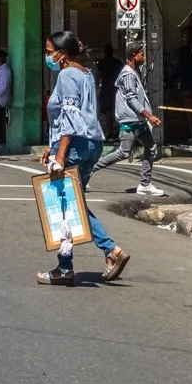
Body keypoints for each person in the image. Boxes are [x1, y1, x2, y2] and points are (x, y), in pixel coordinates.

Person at [37, 30, 131, 285]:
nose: (47, 57)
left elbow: (70, 117)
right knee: (74, 203)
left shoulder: (67, 75)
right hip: (92, 143)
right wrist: (52, 146)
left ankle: (67, 267)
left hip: (75, 146)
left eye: (49, 52)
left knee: (64, 206)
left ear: (61, 54)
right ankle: (109, 251)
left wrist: (60, 154)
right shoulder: (86, 73)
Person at [104, 42, 165, 197]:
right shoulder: (128, 75)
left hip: (138, 120)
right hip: (130, 121)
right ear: (134, 56)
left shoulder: (133, 72)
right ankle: (90, 170)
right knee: (123, 152)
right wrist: (149, 115)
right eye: (142, 54)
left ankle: (145, 184)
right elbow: (131, 99)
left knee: (150, 147)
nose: (144, 57)